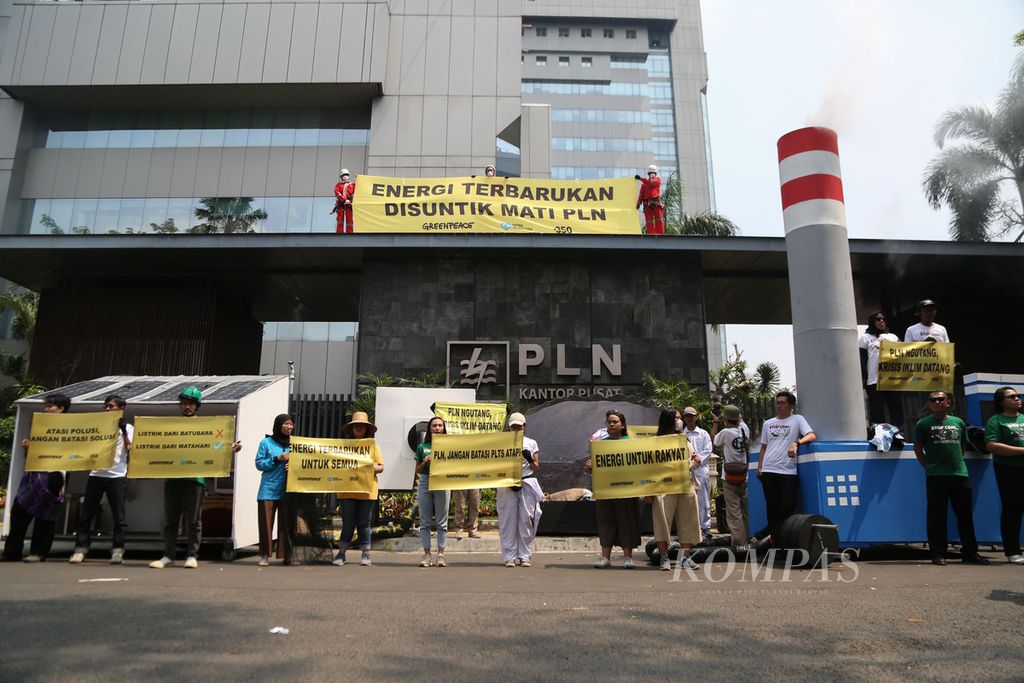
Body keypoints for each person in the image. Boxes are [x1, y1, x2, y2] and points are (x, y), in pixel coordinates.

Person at [149, 386, 242, 569]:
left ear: (197, 406)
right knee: (171, 519)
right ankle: (168, 555)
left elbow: (215, 446)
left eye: (190, 403)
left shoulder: (205, 427)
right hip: (173, 478)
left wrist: (229, 448)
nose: (187, 407)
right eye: (184, 403)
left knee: (193, 519)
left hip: (195, 479)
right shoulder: (172, 427)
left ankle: (192, 555)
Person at [913, 391, 989, 566]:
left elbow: (963, 445)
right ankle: (938, 553)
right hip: (935, 476)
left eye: (941, 399)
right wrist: (929, 467)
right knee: (936, 516)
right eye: (933, 400)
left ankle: (970, 553)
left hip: (959, 474)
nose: (937, 402)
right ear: (929, 404)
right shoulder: (922, 424)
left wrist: (957, 464)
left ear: (948, 402)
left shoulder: (958, 422)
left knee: (965, 515)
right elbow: (918, 449)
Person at [3, 393, 70, 562]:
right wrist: (28, 447)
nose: (46, 409)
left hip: (54, 474)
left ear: (61, 409)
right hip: (34, 474)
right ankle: (12, 551)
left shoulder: (70, 427)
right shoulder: (39, 425)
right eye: (45, 406)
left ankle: (39, 552)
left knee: (45, 515)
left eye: (50, 406)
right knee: (19, 511)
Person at [69, 394, 133, 565]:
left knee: (119, 517)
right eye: (106, 406)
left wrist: (124, 430)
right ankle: (81, 548)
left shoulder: (129, 427)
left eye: (111, 406)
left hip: (116, 476)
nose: (107, 409)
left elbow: (131, 449)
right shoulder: (97, 426)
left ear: (121, 409)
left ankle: (118, 549)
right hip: (96, 474)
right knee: (86, 514)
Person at [755, 391, 816, 545]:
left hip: (788, 470)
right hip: (769, 469)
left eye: (782, 402)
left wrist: (796, 443)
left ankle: (765, 532)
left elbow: (811, 435)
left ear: (790, 405)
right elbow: (763, 447)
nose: (779, 405)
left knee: (789, 504)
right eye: (777, 402)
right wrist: (760, 467)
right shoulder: (768, 423)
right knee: (772, 508)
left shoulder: (797, 419)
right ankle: (776, 543)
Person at [586, 410, 641, 569]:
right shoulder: (600, 445)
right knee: (606, 522)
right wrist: (590, 466)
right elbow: (595, 467)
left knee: (626, 522)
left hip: (626, 491)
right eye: (609, 422)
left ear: (622, 425)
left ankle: (628, 558)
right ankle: (605, 557)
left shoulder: (631, 443)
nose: (611, 424)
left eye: (615, 422)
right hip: (606, 491)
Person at [647, 409, 701, 571]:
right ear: (668, 420)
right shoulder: (654, 442)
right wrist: (647, 491)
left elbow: (690, 461)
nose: (680, 421)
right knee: (662, 522)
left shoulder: (684, 440)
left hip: (685, 486)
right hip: (663, 488)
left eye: (680, 418)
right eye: (676, 418)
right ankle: (664, 557)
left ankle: (684, 557)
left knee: (688, 521)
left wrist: (695, 462)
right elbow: (648, 468)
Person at [333, 412, 385, 567]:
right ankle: (341, 554)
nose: (359, 428)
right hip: (346, 490)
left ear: (367, 429)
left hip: (367, 491)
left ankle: (366, 554)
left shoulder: (374, 446)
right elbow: (334, 465)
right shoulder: (342, 446)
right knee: (347, 523)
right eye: (356, 425)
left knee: (364, 523)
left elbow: (380, 467)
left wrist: (368, 466)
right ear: (352, 428)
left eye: (362, 426)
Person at [497, 412, 543, 567]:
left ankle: (525, 555)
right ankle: (509, 556)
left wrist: (529, 458)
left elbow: (536, 467)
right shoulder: (501, 442)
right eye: (513, 426)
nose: (516, 429)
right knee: (508, 520)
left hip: (526, 482)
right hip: (507, 483)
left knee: (526, 519)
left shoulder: (531, 443)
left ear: (524, 427)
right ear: (509, 427)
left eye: (519, 426)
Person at [984, 387, 1024, 565]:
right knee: (1013, 509)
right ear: (1001, 402)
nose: (1017, 399)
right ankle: (1012, 551)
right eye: (1012, 396)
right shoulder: (996, 420)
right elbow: (992, 445)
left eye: (1018, 396)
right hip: (1008, 469)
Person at [254, 414, 292, 567]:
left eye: (291, 424)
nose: (289, 427)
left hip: (287, 490)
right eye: (286, 424)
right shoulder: (266, 443)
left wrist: (293, 466)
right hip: (268, 490)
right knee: (266, 524)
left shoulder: (295, 444)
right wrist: (276, 459)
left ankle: (285, 555)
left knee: (286, 524)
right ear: (278, 425)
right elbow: (259, 464)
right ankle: (264, 555)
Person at [711, 405, 751, 549]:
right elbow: (740, 419)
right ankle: (747, 540)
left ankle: (738, 544)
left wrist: (715, 421)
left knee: (734, 512)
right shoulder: (744, 430)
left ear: (725, 419)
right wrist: (728, 409)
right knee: (745, 510)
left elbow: (714, 441)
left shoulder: (725, 432)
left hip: (729, 477)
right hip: (745, 475)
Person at [858, 311, 905, 428]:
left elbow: (904, 355)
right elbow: (862, 360)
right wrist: (864, 378)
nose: (881, 321)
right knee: (877, 410)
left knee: (896, 408)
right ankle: (879, 433)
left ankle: (897, 432)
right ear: (872, 321)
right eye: (878, 319)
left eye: (883, 319)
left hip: (892, 380)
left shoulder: (893, 337)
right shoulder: (865, 338)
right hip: (874, 380)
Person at [415, 416, 450, 567]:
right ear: (429, 428)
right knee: (425, 522)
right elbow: (416, 470)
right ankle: (427, 554)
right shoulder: (422, 447)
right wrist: (424, 462)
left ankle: (441, 555)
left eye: (439, 426)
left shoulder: (450, 446)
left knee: (442, 522)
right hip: (425, 482)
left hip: (442, 483)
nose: (437, 428)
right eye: (434, 425)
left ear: (443, 428)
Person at [682, 406, 714, 541]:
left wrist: (698, 460)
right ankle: (690, 527)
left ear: (696, 417)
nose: (689, 418)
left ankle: (705, 526)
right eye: (687, 416)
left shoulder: (703, 434)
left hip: (700, 470)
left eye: (692, 415)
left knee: (703, 498)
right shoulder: (681, 435)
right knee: (686, 500)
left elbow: (708, 450)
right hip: (685, 470)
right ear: (684, 418)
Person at [635, 164, 664, 235]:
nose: (652, 174)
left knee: (659, 220)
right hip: (647, 205)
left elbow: (652, 183)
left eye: (653, 173)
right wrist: (638, 203)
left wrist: (641, 179)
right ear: (648, 174)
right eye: (650, 173)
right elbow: (641, 195)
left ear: (655, 174)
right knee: (649, 221)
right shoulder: (644, 184)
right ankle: (652, 234)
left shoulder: (657, 180)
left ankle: (661, 234)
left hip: (656, 204)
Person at [333, 169, 356, 233]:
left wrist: (350, 200)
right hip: (341, 205)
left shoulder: (353, 185)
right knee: (340, 220)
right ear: (341, 177)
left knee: (350, 221)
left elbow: (356, 194)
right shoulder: (338, 185)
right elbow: (337, 193)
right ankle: (339, 234)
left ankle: (350, 234)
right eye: (343, 175)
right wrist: (344, 200)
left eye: (346, 175)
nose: (345, 176)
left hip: (349, 205)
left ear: (348, 176)